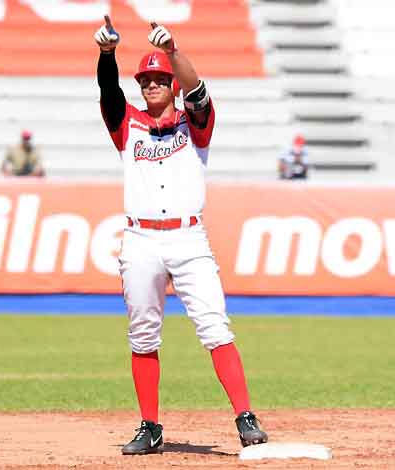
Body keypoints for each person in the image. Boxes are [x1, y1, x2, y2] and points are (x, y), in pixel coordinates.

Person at [94, 15, 268, 455]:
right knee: (143, 334)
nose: (152, 85)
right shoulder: (127, 125)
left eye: (159, 79)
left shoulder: (195, 125)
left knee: (214, 325)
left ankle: (245, 417)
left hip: (189, 239)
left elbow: (197, 89)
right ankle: (150, 426)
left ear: (172, 84)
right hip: (141, 239)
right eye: (147, 80)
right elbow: (109, 92)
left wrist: (172, 52)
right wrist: (107, 54)